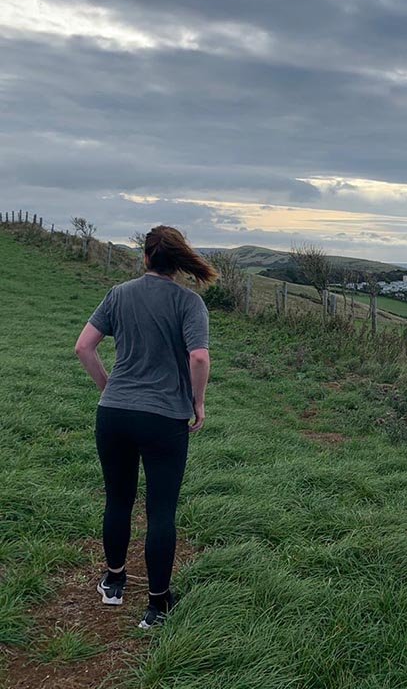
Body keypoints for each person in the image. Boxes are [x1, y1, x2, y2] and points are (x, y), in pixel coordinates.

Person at [74, 226, 215, 629]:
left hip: (114, 414)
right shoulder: (189, 302)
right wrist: (197, 402)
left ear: (146, 257)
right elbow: (199, 358)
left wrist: (109, 388)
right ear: (179, 261)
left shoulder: (118, 294)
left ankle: (114, 582)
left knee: (118, 501)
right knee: (161, 510)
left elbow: (83, 347)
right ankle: (157, 605)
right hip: (164, 418)